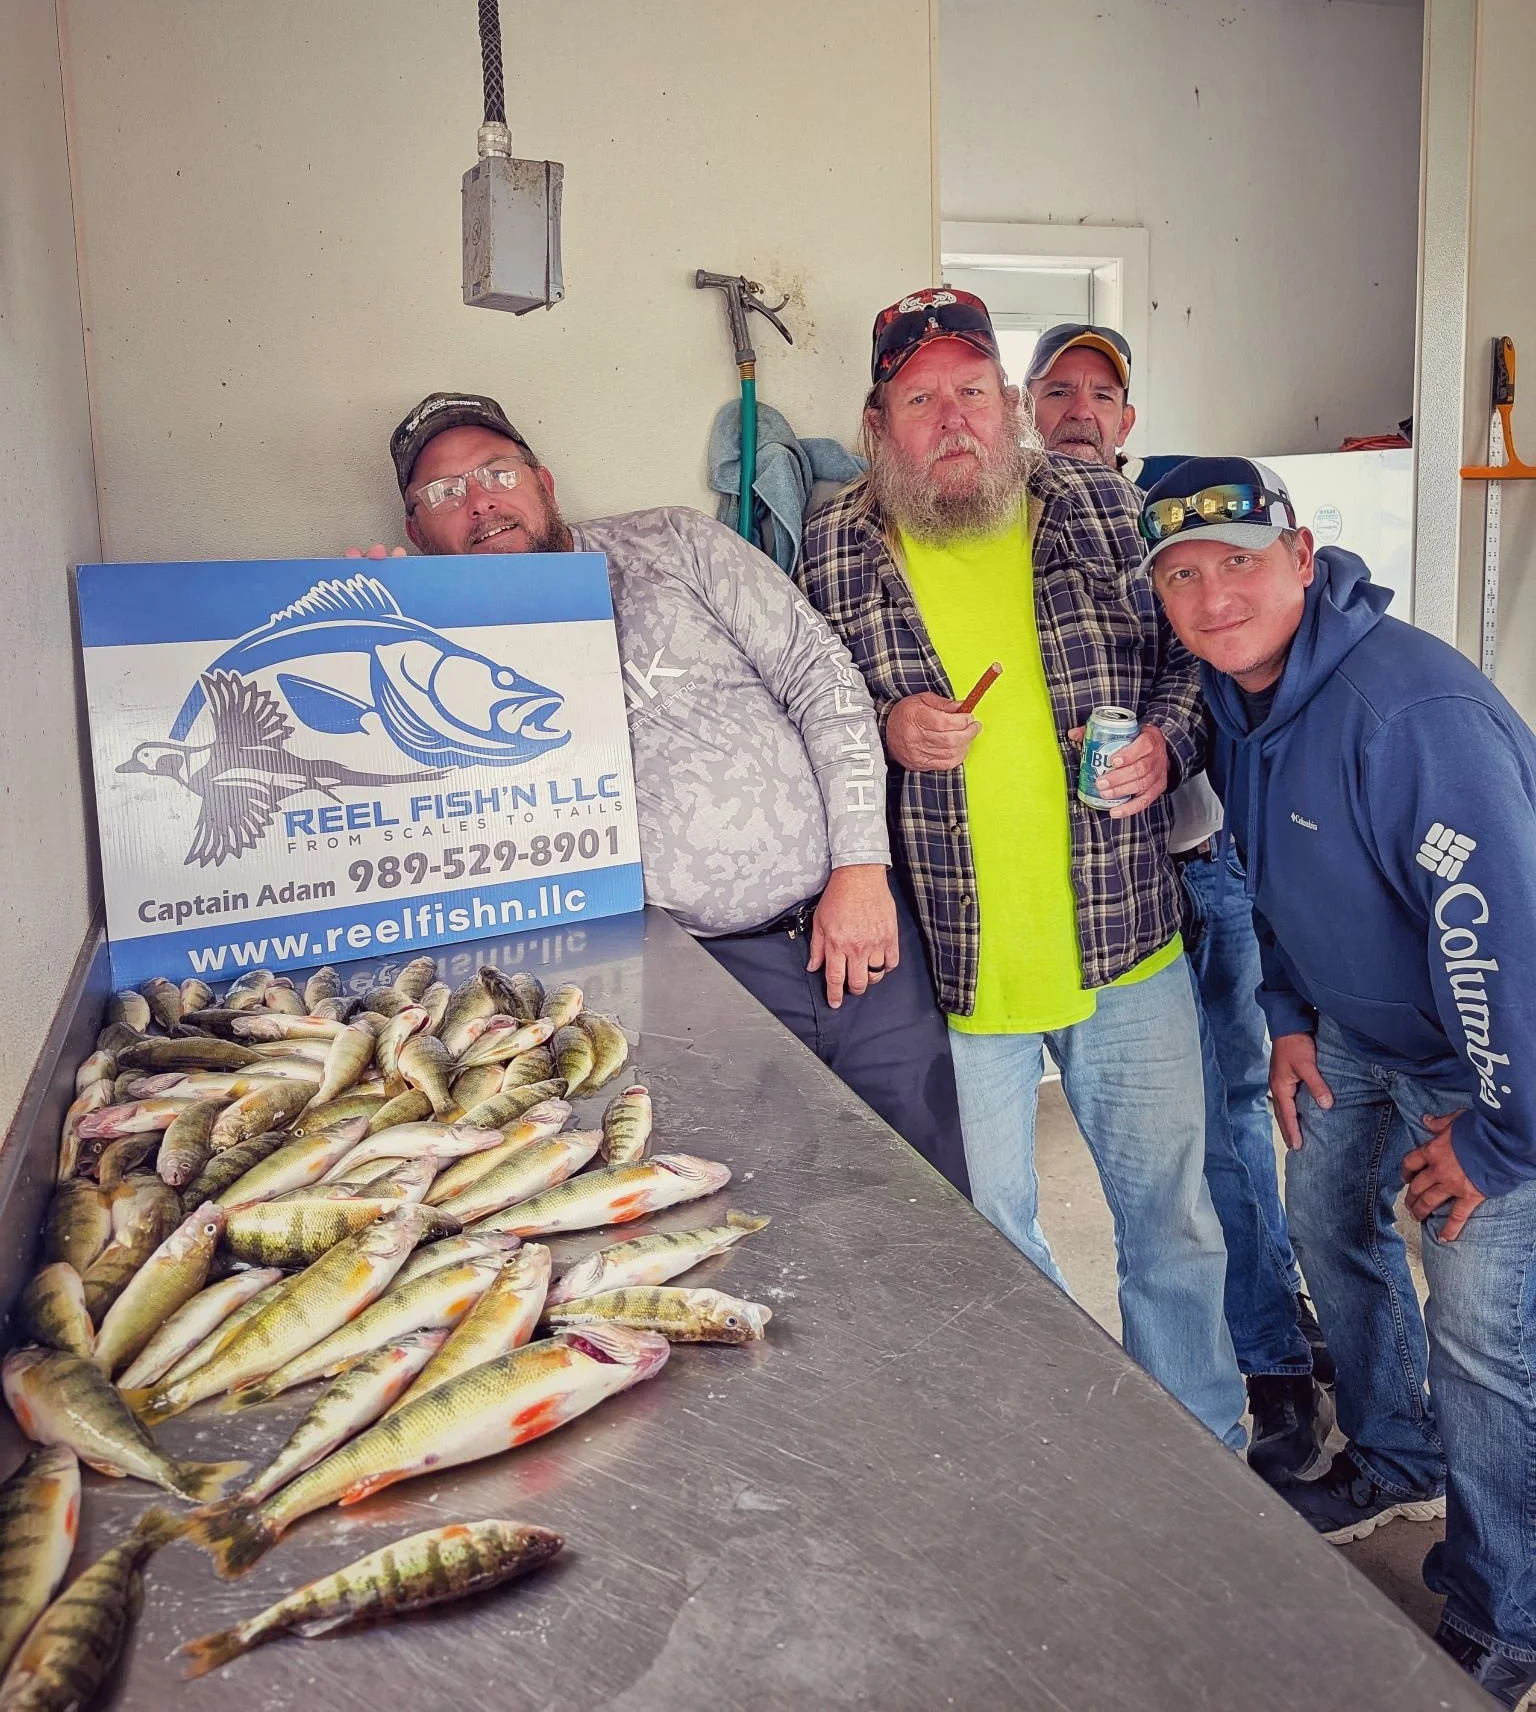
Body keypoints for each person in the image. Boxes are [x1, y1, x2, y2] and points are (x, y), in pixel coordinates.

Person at [799, 289, 1244, 1449]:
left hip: (1125, 936)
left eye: (971, 391)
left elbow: (1193, 662)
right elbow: (810, 718)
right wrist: (890, 730)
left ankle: (1206, 1462)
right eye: (920, 399)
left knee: (1173, 1229)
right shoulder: (833, 543)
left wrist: (1167, 744)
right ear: (877, 424)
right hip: (957, 964)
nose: (953, 418)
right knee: (989, 1247)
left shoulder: (1100, 502)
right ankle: (1069, 1461)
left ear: (1006, 404)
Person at [1141, 454, 1536, 1707]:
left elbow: (1503, 936)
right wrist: (1288, 1015)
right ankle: (1396, 1454)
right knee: (1327, 1228)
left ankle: (1511, 1615)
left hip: (1486, 1067)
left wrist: (1502, 1139)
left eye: (1240, 563)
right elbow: (1265, 874)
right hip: (1352, 1037)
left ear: (1303, 559)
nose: (1214, 597)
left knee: (1484, 1336)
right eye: (1183, 577)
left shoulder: (1409, 716)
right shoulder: (1237, 699)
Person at [357, 390, 969, 1193]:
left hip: (852, 926)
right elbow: (415, 828)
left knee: (930, 1194)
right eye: (443, 491)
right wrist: (386, 634)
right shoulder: (422, 653)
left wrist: (861, 867)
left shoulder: (671, 542)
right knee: (763, 1215)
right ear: (415, 532)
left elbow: (823, 681)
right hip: (689, 986)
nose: (480, 501)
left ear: (543, 482)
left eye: (498, 471)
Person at [1026, 325, 1333, 1486]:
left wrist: (1165, 737)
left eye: (1102, 393)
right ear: (1029, 406)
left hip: (1212, 863)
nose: (1080, 410)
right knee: (1195, 1134)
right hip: (1113, 890)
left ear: (1128, 418)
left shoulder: (1172, 518)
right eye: (1059, 390)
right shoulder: (1019, 526)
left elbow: (1210, 669)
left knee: (1235, 1118)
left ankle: (1275, 1361)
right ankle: (1270, 1345)